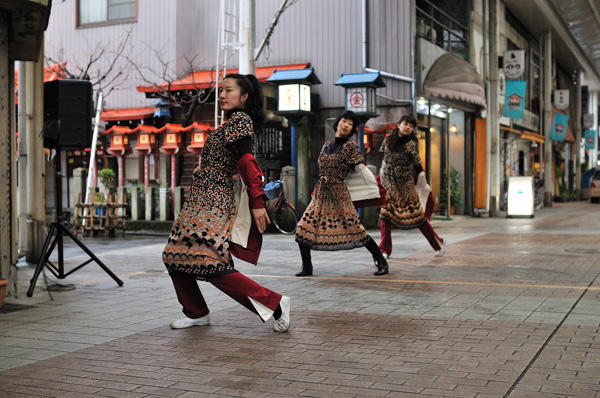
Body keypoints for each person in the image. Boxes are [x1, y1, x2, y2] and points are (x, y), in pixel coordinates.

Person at [162, 73, 291, 333]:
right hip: (200, 200)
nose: (222, 95)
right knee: (176, 256)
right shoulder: (230, 123)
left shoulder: (241, 121)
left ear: (244, 97)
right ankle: (196, 312)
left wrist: (257, 200)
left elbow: (247, 162)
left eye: (229, 90)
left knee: (210, 262)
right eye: (221, 91)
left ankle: (275, 303)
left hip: (214, 202)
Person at [294, 111, 389, 277]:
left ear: (352, 129)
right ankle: (307, 267)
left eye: (350, 124)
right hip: (320, 194)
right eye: (344, 121)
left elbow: (360, 171)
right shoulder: (326, 146)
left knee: (356, 230)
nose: (346, 125)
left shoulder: (350, 147)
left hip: (339, 194)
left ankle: (381, 261)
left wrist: (374, 188)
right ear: (338, 123)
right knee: (303, 228)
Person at [378, 114, 446, 259]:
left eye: (411, 126)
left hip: (405, 187)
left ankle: (438, 243)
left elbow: (418, 165)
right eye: (406, 124)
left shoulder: (411, 145)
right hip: (389, 185)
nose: (408, 127)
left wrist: (423, 182)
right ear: (399, 125)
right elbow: (384, 160)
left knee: (418, 219)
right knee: (385, 216)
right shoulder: (388, 140)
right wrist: (381, 178)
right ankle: (384, 250)